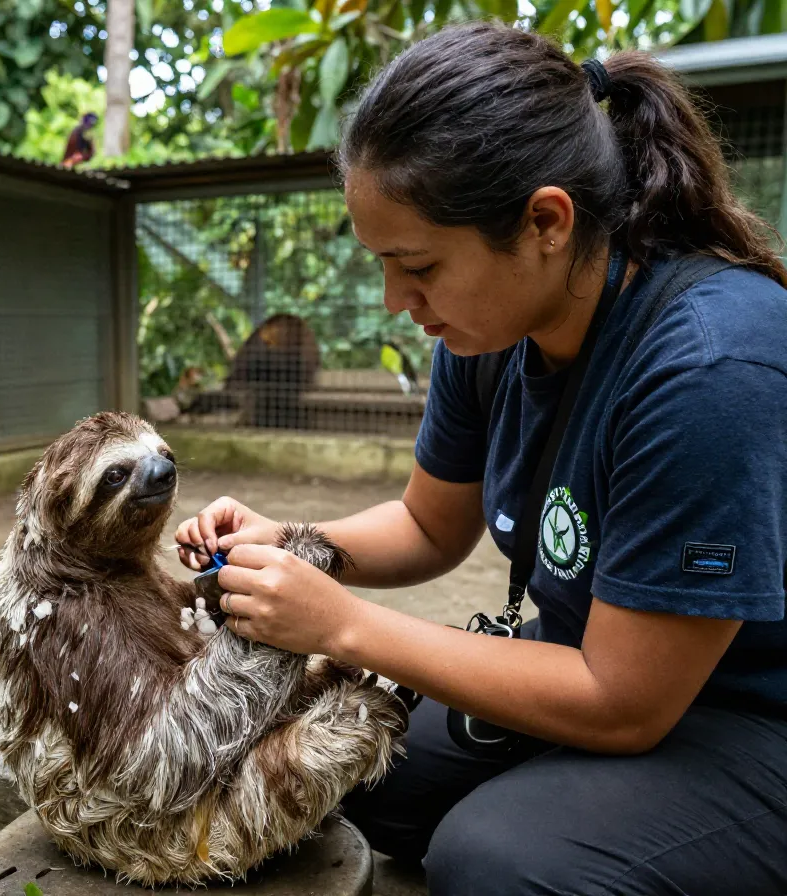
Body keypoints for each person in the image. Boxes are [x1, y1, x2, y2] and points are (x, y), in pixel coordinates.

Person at [175, 21, 787, 896]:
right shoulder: (486, 331)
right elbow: (431, 523)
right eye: (382, 265)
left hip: (746, 710)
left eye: (416, 264)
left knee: (499, 860)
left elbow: (623, 700)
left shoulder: (710, 363)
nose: (397, 301)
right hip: (598, 658)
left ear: (545, 221)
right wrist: (295, 542)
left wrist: (341, 624)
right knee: (347, 767)